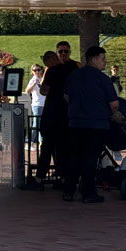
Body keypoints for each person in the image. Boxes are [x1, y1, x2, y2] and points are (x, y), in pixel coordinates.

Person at [63, 46, 119, 203]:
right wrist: (111, 113)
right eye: (103, 59)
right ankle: (88, 192)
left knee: (74, 157)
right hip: (97, 124)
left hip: (75, 123)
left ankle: (69, 190)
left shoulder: (73, 75)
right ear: (93, 59)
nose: (105, 62)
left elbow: (66, 96)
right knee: (90, 158)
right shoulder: (103, 79)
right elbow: (114, 103)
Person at [35, 41, 80, 186]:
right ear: (57, 53)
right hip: (65, 113)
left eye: (65, 51)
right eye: (61, 52)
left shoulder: (53, 70)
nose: (63, 54)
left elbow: (43, 90)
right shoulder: (75, 67)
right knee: (63, 146)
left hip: (54, 112)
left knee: (49, 146)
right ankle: (63, 177)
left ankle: (41, 177)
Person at [27, 63, 45, 146]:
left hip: (44, 104)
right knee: (36, 123)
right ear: (32, 72)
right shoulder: (32, 80)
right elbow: (27, 91)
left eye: (38, 70)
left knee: (42, 124)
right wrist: (34, 84)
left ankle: (41, 141)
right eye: (35, 70)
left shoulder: (43, 79)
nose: (37, 72)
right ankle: (30, 142)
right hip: (37, 104)